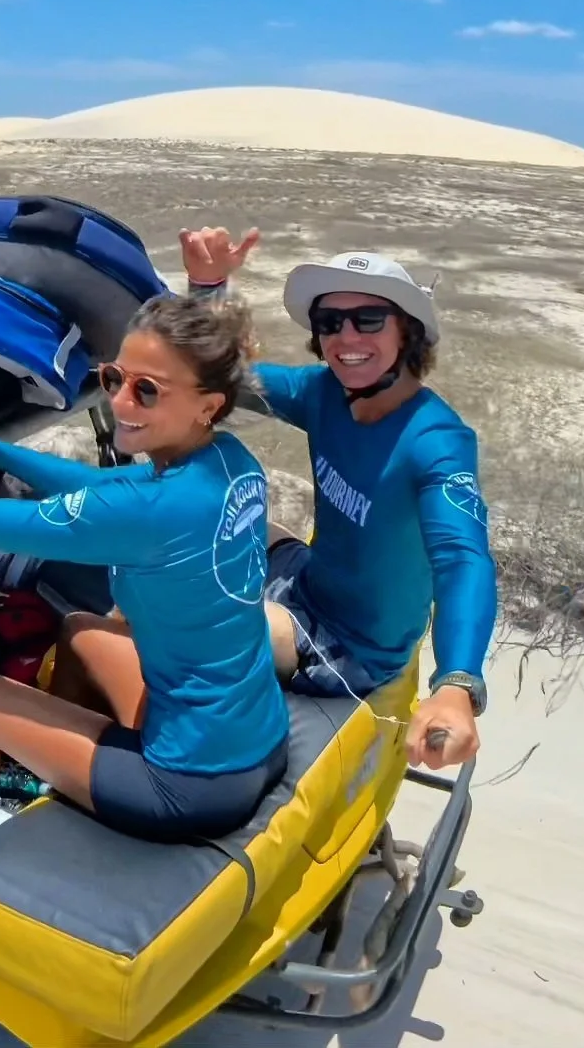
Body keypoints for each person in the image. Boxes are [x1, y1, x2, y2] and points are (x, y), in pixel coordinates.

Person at [0, 293, 290, 842]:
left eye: (147, 390)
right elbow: (100, 485)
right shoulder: (227, 459)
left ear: (209, 403)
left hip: (188, 784)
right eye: (114, 379)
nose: (122, 404)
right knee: (81, 630)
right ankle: (62, 761)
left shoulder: (150, 512)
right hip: (256, 738)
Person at [179, 225, 497, 773]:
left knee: (183, 619)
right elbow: (227, 376)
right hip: (307, 578)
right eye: (330, 323)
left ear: (408, 333)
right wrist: (208, 287)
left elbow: (462, 560)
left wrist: (458, 684)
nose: (346, 338)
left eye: (368, 320)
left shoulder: (437, 442)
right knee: (202, 527)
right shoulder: (322, 392)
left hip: (351, 645)